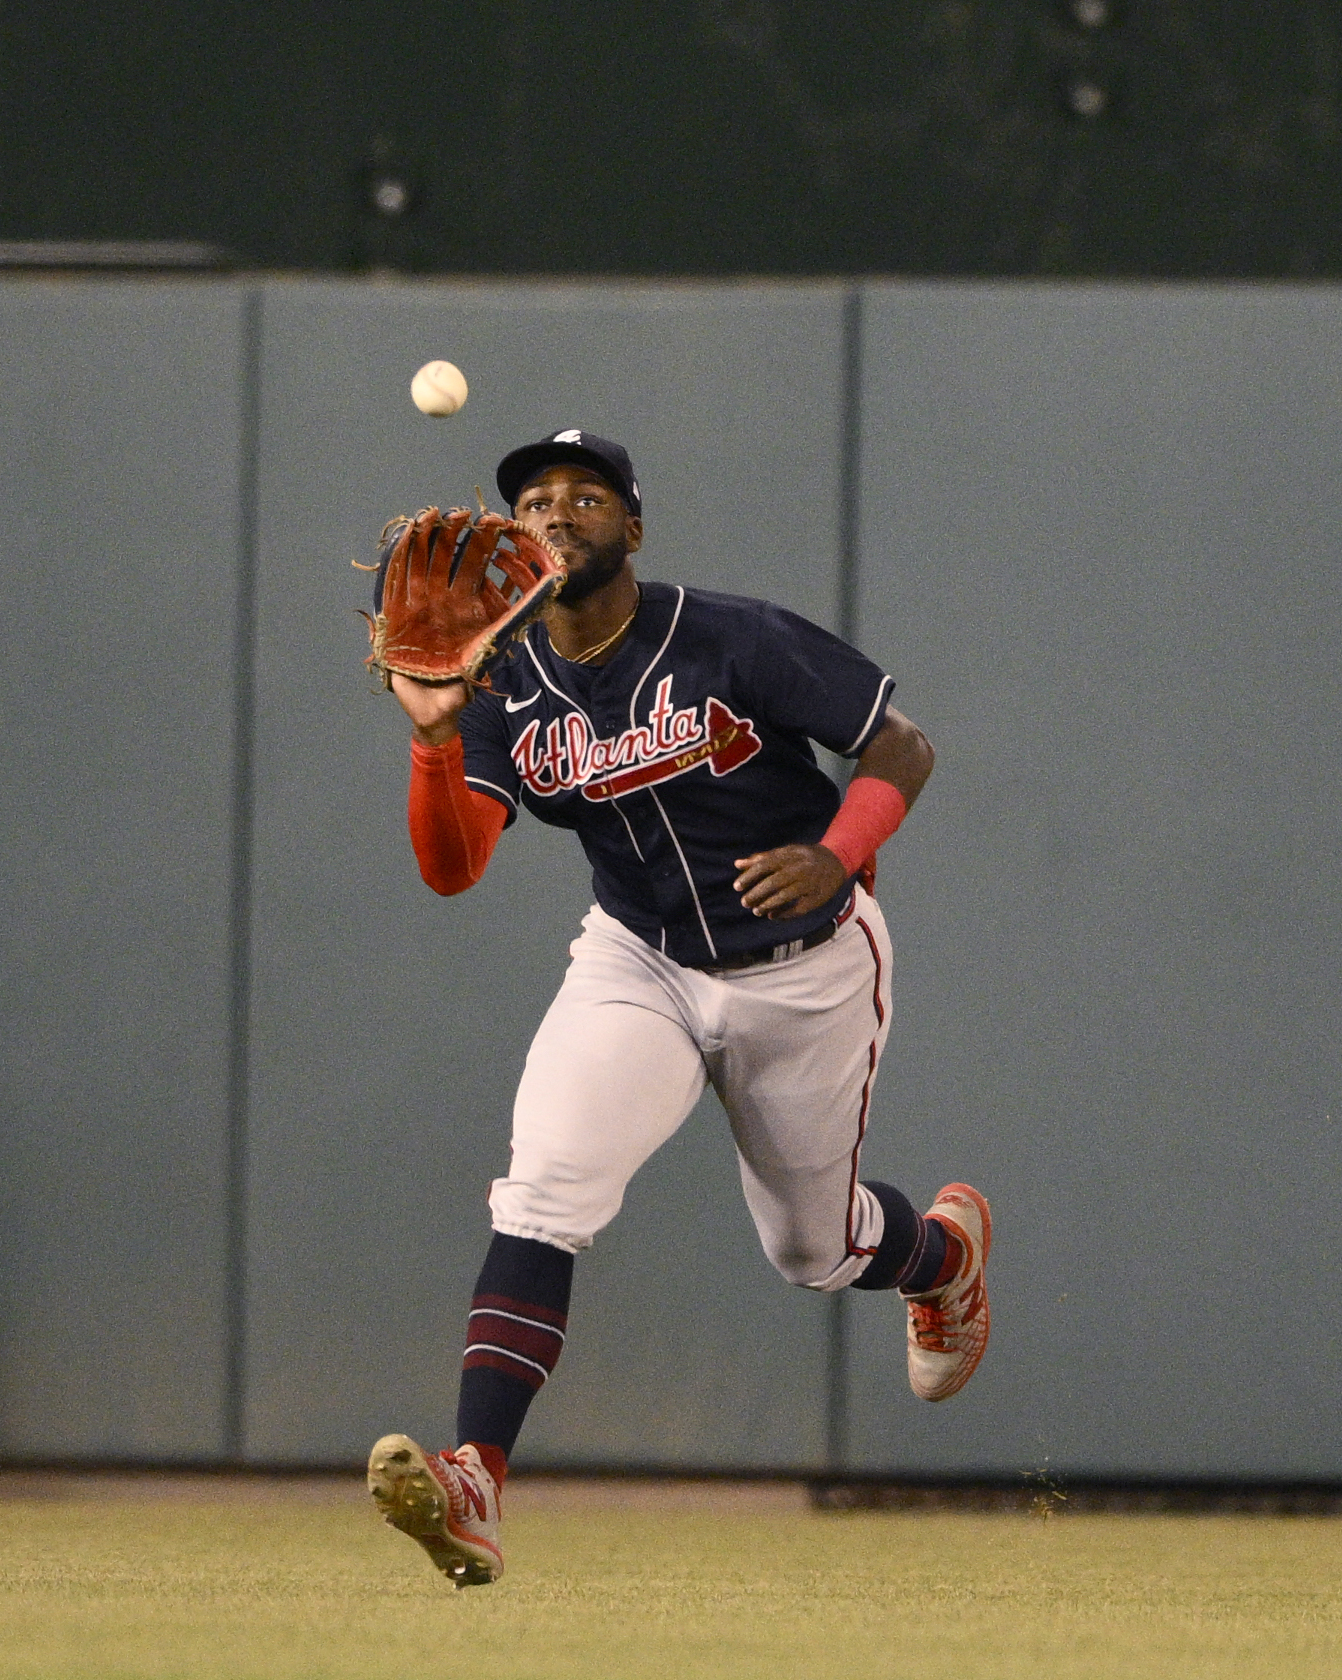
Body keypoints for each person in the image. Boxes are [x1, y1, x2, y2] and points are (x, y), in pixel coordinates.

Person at [364, 430, 990, 1586]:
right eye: (536, 500)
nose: (558, 511)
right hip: (636, 962)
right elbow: (453, 866)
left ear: (632, 529)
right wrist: (435, 736)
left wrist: (838, 851)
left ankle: (940, 1258)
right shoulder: (499, 676)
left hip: (802, 966)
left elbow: (901, 746)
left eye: (587, 497)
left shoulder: (730, 634)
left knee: (811, 1247)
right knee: (544, 1185)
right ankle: (474, 1479)